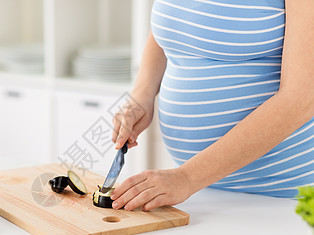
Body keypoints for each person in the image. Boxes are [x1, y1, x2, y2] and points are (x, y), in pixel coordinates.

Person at [110, 0, 313, 211]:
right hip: (203, 190)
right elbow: (175, 25)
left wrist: (187, 178)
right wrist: (143, 93)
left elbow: (300, 99)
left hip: (282, 197)